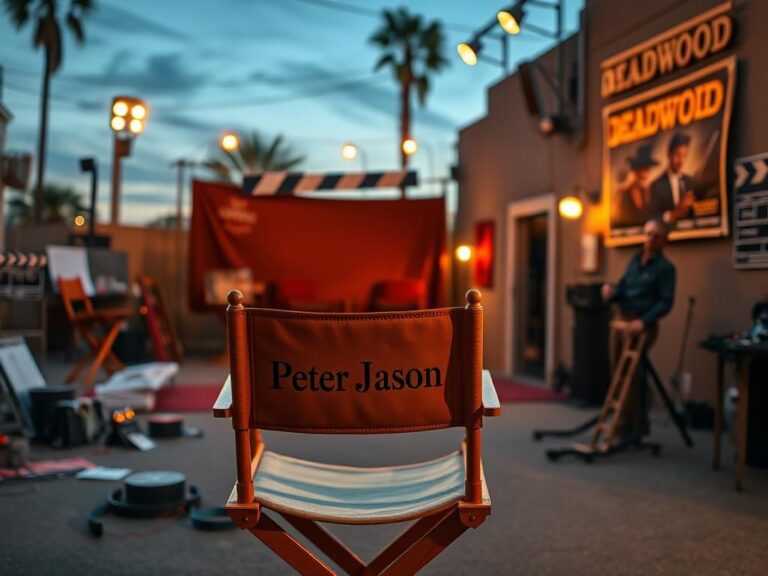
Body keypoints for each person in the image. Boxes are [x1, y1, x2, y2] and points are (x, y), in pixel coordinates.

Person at [601, 218, 676, 437]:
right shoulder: (635, 261)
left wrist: (644, 321)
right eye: (648, 234)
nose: (651, 239)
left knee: (630, 375)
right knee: (618, 373)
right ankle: (635, 418)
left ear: (664, 240)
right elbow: (623, 287)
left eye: (656, 235)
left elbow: (665, 301)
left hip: (642, 325)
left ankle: (626, 426)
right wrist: (612, 290)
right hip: (622, 322)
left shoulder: (666, 269)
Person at [650, 133, 696, 223]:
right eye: (677, 155)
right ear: (668, 155)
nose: (681, 161)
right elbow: (651, 219)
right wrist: (673, 214)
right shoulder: (657, 186)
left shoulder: (691, 182)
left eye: (684, 156)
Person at [613, 145, 659, 228]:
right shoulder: (623, 193)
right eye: (644, 167)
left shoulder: (649, 191)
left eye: (648, 168)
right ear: (636, 169)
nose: (647, 171)